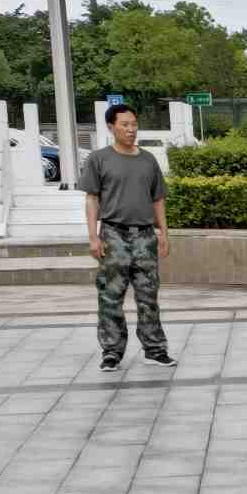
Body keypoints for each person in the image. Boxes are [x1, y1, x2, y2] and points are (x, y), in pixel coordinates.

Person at [81, 104, 176, 372]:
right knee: (111, 296)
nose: (131, 129)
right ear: (111, 127)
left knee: (149, 296)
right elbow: (91, 199)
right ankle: (111, 351)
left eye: (134, 124)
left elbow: (158, 199)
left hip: (145, 235)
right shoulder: (99, 159)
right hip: (113, 234)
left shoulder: (148, 160)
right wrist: (93, 237)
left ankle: (155, 350)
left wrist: (164, 234)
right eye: (125, 124)